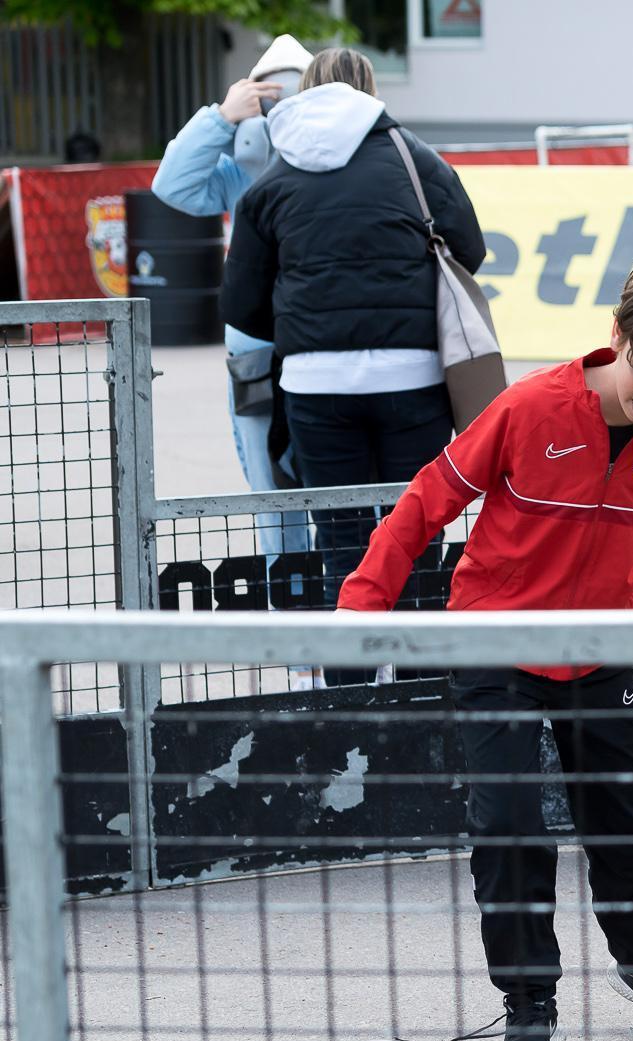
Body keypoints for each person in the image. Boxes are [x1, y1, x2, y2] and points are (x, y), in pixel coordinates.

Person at [337, 256, 633, 1041]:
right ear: (617, 334)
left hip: (602, 652)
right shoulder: (529, 406)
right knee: (509, 821)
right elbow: (427, 499)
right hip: (495, 643)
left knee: (628, 826)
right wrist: (361, 604)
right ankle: (529, 997)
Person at [218, 47, 483, 681]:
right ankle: (422, 700)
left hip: (314, 388)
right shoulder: (412, 157)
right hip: (413, 381)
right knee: (416, 538)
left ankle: (349, 709)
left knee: (340, 546)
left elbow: (240, 304)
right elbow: (469, 249)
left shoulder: (276, 174)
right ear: (371, 93)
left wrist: (310, 328)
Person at [154, 34, 317, 686]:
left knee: (343, 492)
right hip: (257, 353)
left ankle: (353, 639)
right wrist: (221, 118)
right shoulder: (241, 169)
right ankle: (301, 652)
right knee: (274, 498)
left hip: (317, 342)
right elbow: (173, 185)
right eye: (267, 97)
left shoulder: (337, 157)